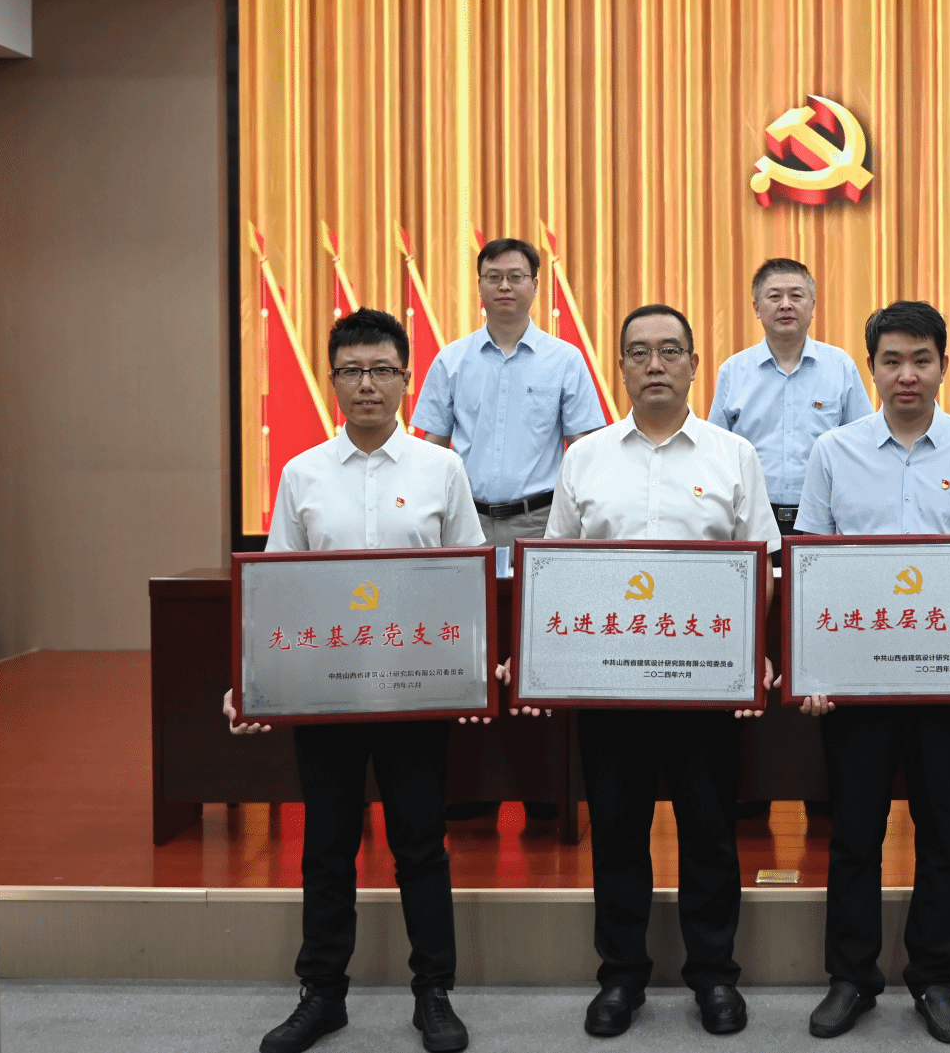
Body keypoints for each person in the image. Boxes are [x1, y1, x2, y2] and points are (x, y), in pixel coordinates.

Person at [222, 308, 486, 1053]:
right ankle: (322, 994)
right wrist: (251, 680)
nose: (367, 384)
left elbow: (467, 578)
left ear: (407, 379)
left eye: (382, 370)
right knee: (328, 845)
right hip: (327, 693)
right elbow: (277, 590)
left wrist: (474, 676)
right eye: (352, 370)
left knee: (421, 845)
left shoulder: (442, 470)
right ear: (332, 379)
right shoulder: (302, 473)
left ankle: (434, 992)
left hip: (415, 695)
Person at [541, 304, 781, 1039]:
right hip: (611, 685)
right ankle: (621, 976)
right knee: (617, 832)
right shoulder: (585, 457)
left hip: (704, 683)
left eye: (670, 350)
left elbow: (763, 565)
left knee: (710, 830)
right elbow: (557, 569)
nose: (655, 364)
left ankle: (714, 974)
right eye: (639, 351)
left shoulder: (732, 454)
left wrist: (753, 653)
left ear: (694, 364)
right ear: (619, 365)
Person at [793, 300, 950, 1046]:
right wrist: (814, 669)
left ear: (943, 366)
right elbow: (810, 562)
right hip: (856, 683)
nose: (907, 374)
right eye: (891, 360)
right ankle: (850, 977)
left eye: (921, 359)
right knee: (853, 832)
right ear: (871, 368)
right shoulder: (833, 451)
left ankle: (935, 978)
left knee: (943, 834)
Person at [413, 236, 607, 550]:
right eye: (493, 277)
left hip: (541, 521)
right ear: (479, 286)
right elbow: (431, 448)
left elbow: (584, 449)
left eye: (516, 277)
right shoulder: (451, 360)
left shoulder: (565, 360)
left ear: (535, 285)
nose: (504, 286)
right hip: (465, 519)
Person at [710, 257, 872, 538]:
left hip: (826, 518)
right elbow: (717, 453)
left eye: (796, 296)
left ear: (812, 306)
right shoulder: (733, 371)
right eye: (774, 296)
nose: (785, 305)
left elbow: (863, 445)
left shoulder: (840, 366)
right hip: (752, 519)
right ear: (756, 307)